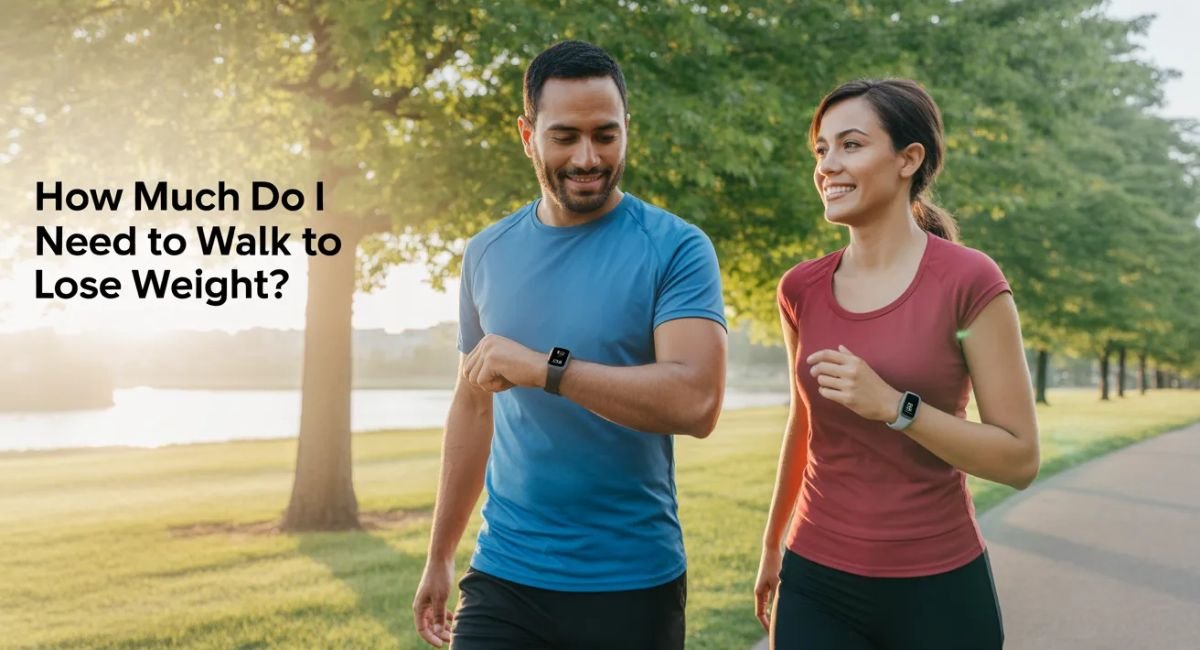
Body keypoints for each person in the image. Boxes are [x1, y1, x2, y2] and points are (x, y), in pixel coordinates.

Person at [411, 40, 728, 650]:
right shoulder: (486, 252)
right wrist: (441, 554)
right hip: (504, 575)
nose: (588, 157)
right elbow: (473, 407)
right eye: (565, 137)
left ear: (627, 130)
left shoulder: (676, 247)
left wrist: (546, 369)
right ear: (527, 135)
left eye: (606, 136)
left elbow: (696, 403)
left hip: (632, 581)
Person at [754, 79, 1040, 650]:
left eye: (851, 145)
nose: (828, 166)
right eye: (821, 149)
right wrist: (771, 548)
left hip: (937, 589)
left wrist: (896, 408)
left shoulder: (970, 280)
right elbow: (803, 424)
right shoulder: (800, 289)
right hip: (816, 580)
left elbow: (1018, 458)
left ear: (909, 159)